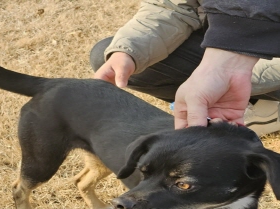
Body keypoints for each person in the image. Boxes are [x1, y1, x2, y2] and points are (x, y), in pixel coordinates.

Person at [90, 0, 280, 135]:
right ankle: (263, 107)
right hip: (233, 40)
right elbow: (171, 6)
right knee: (115, 59)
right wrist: (130, 51)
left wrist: (231, 66)